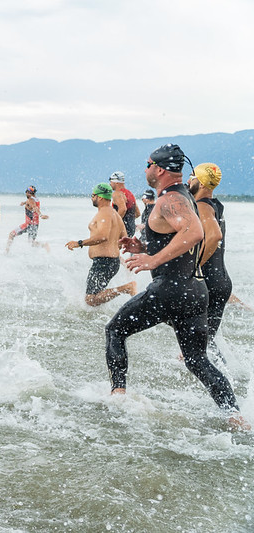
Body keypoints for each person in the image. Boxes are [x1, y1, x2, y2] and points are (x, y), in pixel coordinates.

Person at [105, 143, 248, 430]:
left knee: (115, 330)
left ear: (158, 169)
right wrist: (143, 245)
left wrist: (152, 259)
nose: (145, 170)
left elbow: (194, 232)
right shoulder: (184, 197)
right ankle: (235, 416)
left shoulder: (170, 199)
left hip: (170, 290)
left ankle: (117, 398)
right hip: (195, 291)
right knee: (197, 360)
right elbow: (180, 236)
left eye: (147, 164)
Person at [65, 183, 137, 306]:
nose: (92, 198)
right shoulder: (115, 215)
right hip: (109, 262)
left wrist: (79, 243)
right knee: (94, 298)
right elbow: (124, 238)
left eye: (93, 195)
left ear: (100, 197)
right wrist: (114, 248)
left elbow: (103, 236)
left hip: (104, 262)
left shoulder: (105, 213)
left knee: (90, 299)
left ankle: (127, 288)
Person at [188, 163, 231, 363]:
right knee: (205, 342)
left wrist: (194, 266)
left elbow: (214, 236)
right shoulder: (216, 205)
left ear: (203, 183)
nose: (189, 180)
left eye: (193, 176)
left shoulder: (203, 206)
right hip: (220, 281)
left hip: (209, 283)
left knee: (197, 342)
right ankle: (229, 373)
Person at [6, 185, 49, 253]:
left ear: (29, 193)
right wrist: (24, 203)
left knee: (11, 234)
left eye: (27, 192)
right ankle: (44, 245)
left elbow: (35, 208)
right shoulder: (35, 199)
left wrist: (41, 215)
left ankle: (6, 252)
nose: (26, 193)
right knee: (31, 243)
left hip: (28, 224)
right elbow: (32, 204)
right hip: (35, 225)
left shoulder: (30, 200)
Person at [109, 172, 140, 237]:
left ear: (116, 182)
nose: (110, 184)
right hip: (131, 229)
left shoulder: (117, 194)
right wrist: (129, 220)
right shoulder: (130, 194)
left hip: (122, 229)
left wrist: (113, 223)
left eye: (111, 181)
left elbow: (123, 209)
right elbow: (138, 213)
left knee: (111, 246)